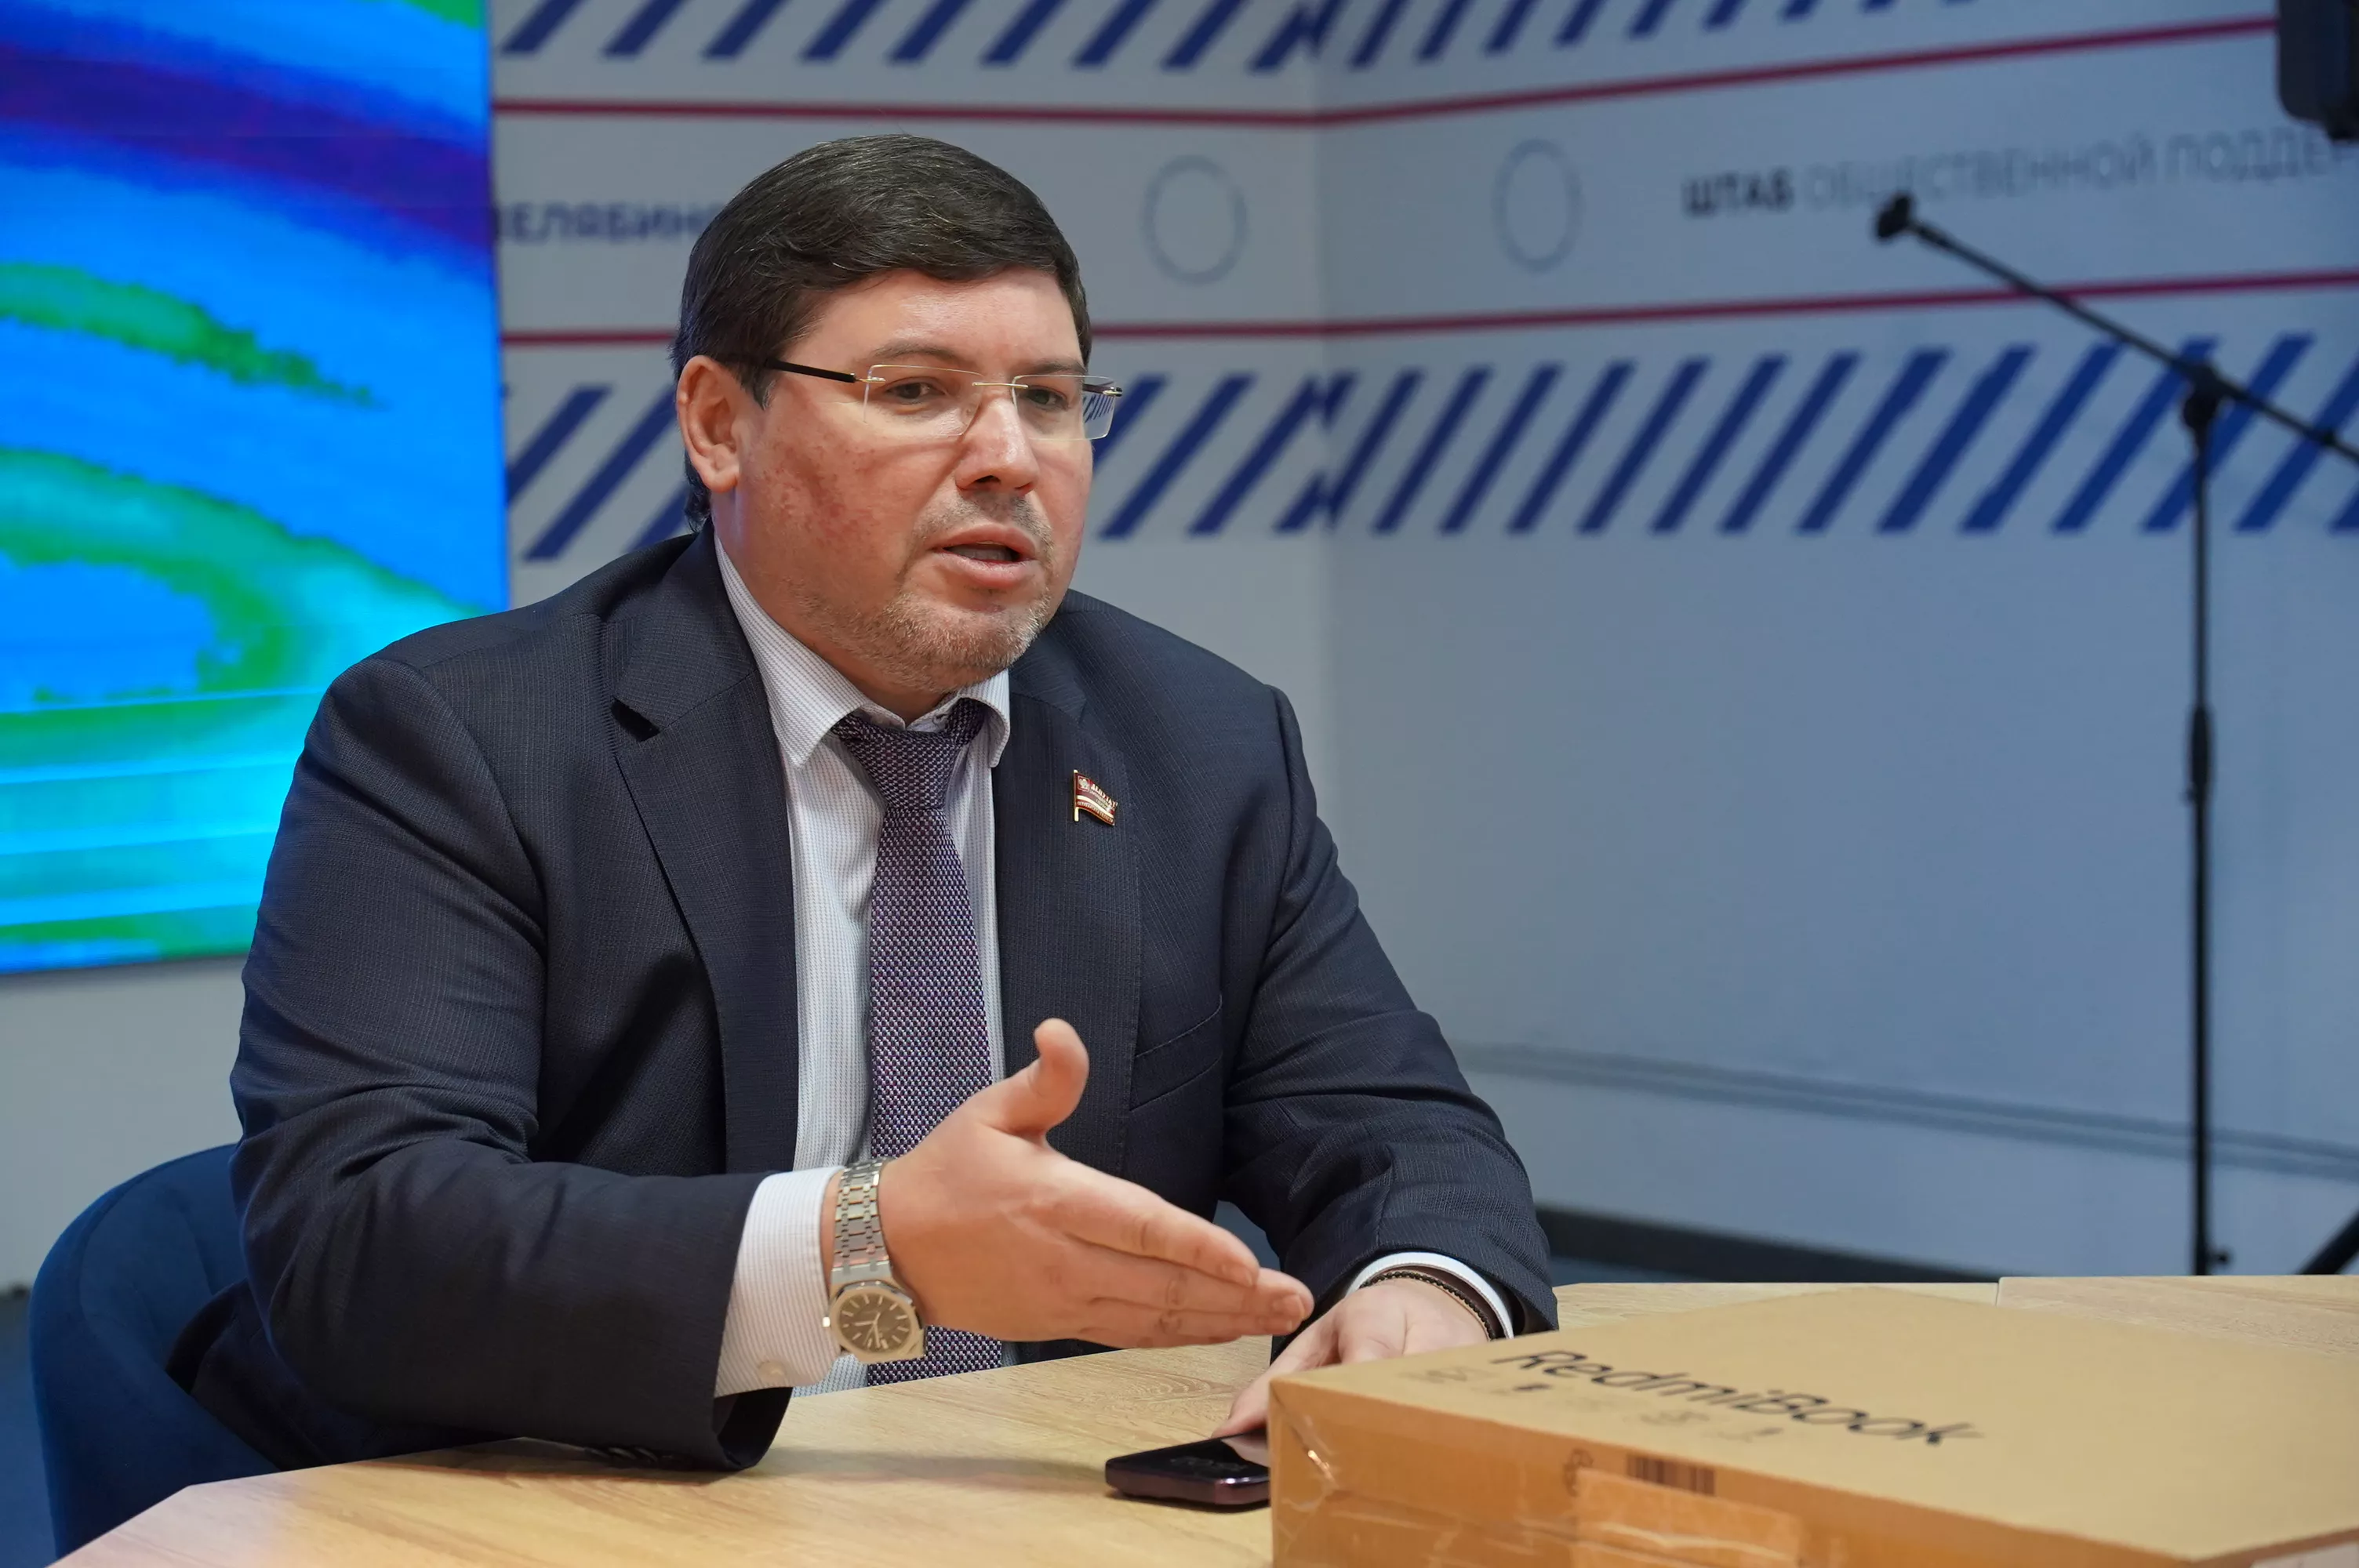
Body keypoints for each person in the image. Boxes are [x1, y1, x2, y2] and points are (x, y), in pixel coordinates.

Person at [173, 134, 1554, 1472]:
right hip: (594, 1496)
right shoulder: (464, 739)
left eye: (1051, 398)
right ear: (720, 426)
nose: (1008, 456)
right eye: (916, 391)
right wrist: (864, 1248)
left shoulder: (1200, 741)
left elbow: (1397, 1127)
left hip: (1051, 1501)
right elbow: (361, 1241)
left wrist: (1422, 1290)